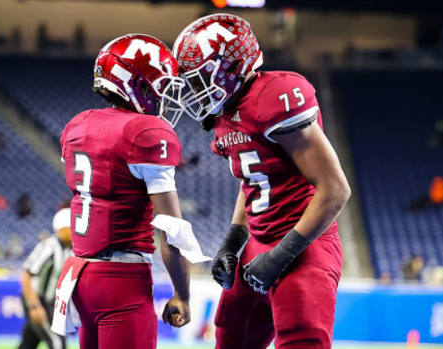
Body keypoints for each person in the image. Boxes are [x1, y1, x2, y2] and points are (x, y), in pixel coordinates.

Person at [173, 14, 351, 349]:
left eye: (199, 79)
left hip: (304, 245)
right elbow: (253, 180)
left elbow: (335, 188)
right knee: (230, 334)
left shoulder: (275, 95)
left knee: (301, 337)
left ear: (229, 68)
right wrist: (233, 239)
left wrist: (283, 254)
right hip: (257, 242)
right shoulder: (228, 112)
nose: (193, 90)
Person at [52, 34, 207, 349]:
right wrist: (183, 294)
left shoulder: (78, 125)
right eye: (160, 86)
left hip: (81, 275)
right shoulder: (145, 133)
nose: (164, 96)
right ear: (136, 85)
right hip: (120, 282)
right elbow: (172, 229)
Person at [19, 208, 73, 349]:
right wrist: (34, 306)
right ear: (61, 229)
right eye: (71, 227)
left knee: (28, 343)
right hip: (37, 299)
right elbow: (26, 275)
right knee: (56, 342)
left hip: (50, 302)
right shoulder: (49, 247)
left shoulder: (73, 249)